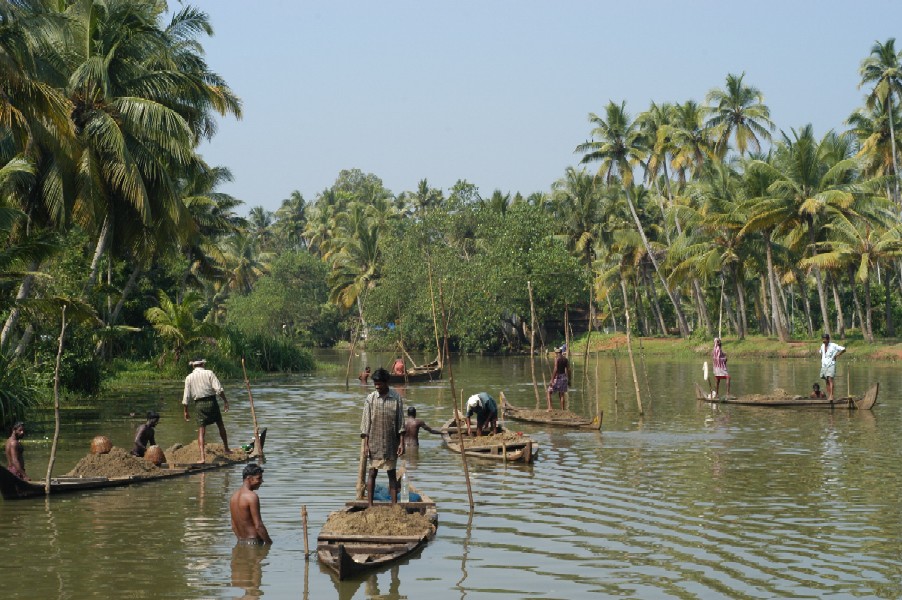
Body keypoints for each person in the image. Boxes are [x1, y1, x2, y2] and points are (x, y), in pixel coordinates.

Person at [361, 367, 405, 506]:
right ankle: (370, 505)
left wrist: (401, 443)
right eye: (375, 384)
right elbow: (366, 423)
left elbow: (401, 423)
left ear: (386, 382)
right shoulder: (370, 399)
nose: (377, 386)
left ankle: (394, 505)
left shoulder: (396, 398)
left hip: (391, 442)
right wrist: (366, 444)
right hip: (374, 442)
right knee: (372, 473)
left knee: (391, 474)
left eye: (380, 383)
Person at [182, 358, 231, 463]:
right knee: (220, 424)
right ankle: (226, 449)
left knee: (201, 430)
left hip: (199, 405)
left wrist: (186, 411)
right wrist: (225, 401)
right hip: (212, 402)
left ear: (193, 366)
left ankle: (202, 458)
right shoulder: (209, 373)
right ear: (203, 364)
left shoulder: (189, 378)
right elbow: (219, 389)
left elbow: (186, 397)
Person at [230, 463, 272, 545]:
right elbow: (258, 526)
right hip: (254, 543)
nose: (261, 481)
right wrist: (269, 543)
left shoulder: (233, 497)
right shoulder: (252, 497)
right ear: (249, 478)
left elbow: (233, 525)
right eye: (259, 478)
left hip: (240, 542)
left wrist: (241, 541)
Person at [819, 333, 846, 401]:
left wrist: (837, 355)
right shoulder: (822, 346)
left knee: (830, 379)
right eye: (823, 339)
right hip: (824, 365)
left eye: (825, 339)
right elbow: (821, 353)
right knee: (826, 381)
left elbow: (844, 349)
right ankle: (829, 396)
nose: (824, 340)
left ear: (828, 339)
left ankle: (831, 396)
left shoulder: (833, 345)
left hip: (831, 364)